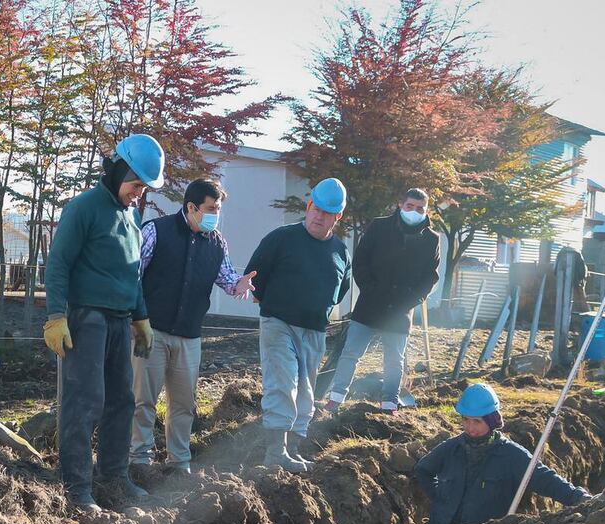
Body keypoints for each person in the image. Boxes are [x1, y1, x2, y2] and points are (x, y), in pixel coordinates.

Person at [43, 133, 164, 513]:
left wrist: (141, 318)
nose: (138, 194)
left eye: (143, 189)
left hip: (119, 319)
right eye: (135, 185)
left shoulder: (133, 216)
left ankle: (114, 475)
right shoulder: (84, 208)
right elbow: (58, 263)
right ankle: (77, 488)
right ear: (116, 174)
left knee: (121, 401)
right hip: (86, 318)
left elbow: (134, 275)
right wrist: (56, 316)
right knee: (84, 401)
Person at [129, 178, 256, 474]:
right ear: (191, 207)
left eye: (219, 209)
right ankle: (140, 459)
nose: (216, 214)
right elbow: (133, 275)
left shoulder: (216, 242)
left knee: (184, 404)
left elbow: (226, 279)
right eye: (211, 208)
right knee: (143, 399)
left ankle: (179, 461)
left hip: (189, 335)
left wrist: (241, 285)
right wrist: (135, 318)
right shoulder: (155, 231)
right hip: (151, 330)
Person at [414, 383, 591, 524]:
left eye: (477, 421)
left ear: (491, 421)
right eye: (466, 420)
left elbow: (544, 478)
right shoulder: (451, 448)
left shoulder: (511, 455)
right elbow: (423, 470)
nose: (470, 427)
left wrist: (580, 498)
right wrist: (440, 499)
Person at [244, 178, 351, 472]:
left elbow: (341, 290)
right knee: (283, 382)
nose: (319, 216)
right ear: (308, 206)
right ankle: (275, 453)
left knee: (306, 390)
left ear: (337, 216)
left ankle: (293, 449)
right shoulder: (281, 238)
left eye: (327, 213)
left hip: (314, 330)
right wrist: (272, 305)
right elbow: (255, 278)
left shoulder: (341, 252)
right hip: (278, 322)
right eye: (316, 209)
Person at [323, 188, 441, 415]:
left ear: (426, 211)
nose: (414, 211)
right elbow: (361, 260)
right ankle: (335, 399)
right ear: (400, 205)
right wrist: (369, 288)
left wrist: (412, 299)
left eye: (420, 208)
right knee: (351, 353)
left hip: (400, 310)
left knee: (395, 360)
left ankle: (389, 404)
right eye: (410, 206)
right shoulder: (379, 226)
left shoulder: (431, 239)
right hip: (370, 304)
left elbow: (430, 277)